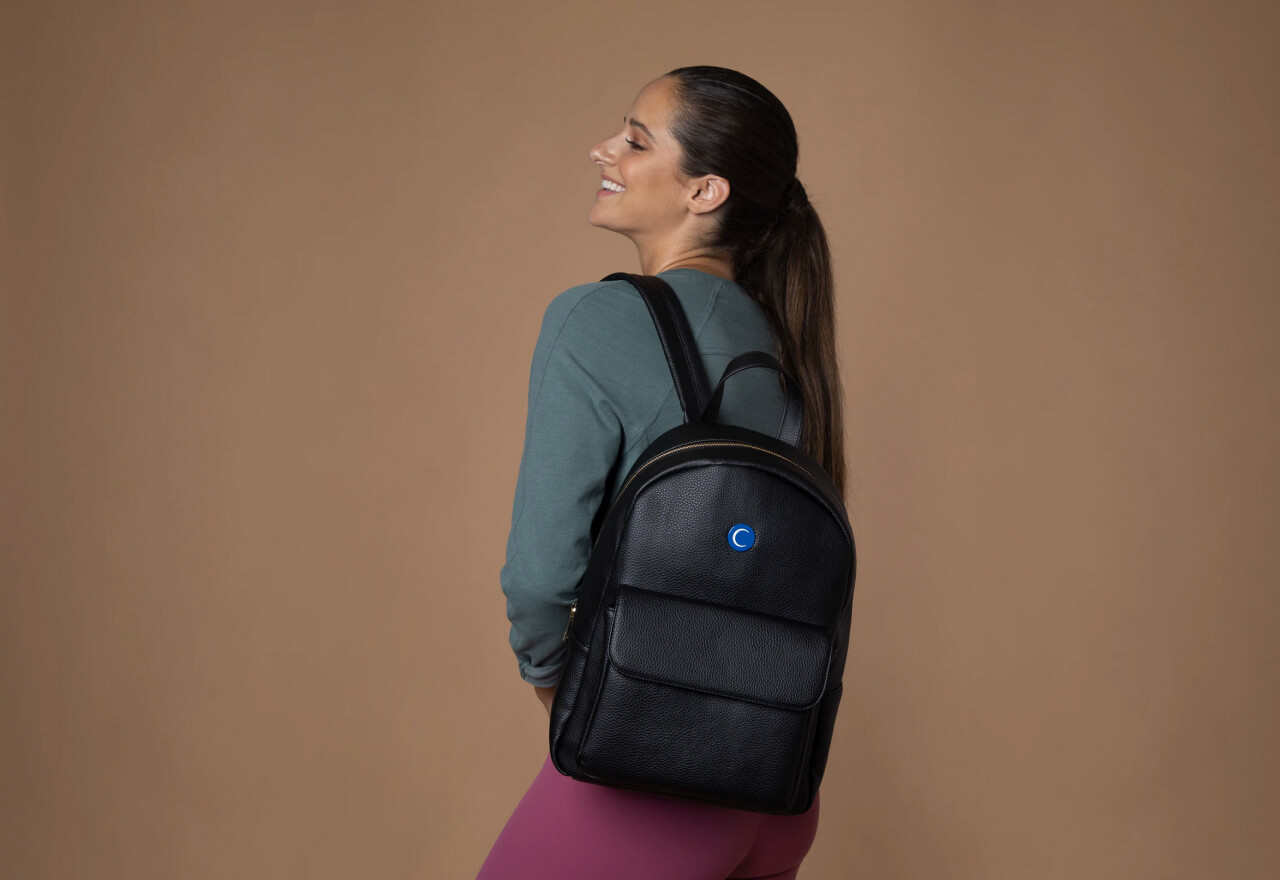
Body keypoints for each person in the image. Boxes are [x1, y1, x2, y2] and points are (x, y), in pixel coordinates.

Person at [479, 65, 848, 880]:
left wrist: (567, 699)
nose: (603, 149)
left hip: (649, 785)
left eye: (636, 140)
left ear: (705, 191)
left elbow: (541, 580)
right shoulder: (784, 342)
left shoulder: (597, 319)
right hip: (774, 782)